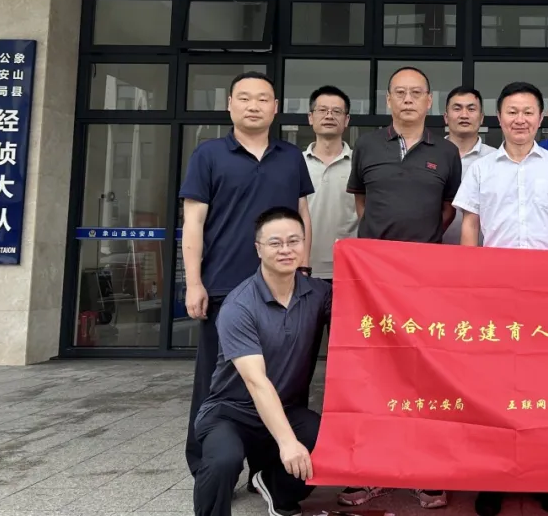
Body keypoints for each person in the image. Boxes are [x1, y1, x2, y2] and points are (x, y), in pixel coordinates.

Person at [453, 81, 548, 516]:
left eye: (529, 112)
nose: (520, 119)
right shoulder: (481, 169)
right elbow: (470, 226)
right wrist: (471, 284)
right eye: (512, 111)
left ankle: (545, 476)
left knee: (546, 389)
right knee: (494, 389)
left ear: (540, 117)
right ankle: (494, 478)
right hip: (495, 295)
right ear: (499, 117)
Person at [180, 71, 314, 478]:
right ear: (230, 105)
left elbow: (302, 215)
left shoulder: (291, 157)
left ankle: (272, 469)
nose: (253, 105)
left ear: (275, 108)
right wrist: (194, 282)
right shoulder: (208, 155)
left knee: (285, 379)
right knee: (216, 380)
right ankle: (208, 465)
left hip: (283, 290)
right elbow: (193, 222)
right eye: (244, 98)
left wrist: (302, 269)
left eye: (262, 99)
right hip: (224, 286)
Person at [343, 65, 462, 510]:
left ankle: (424, 470)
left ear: (430, 101)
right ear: (388, 100)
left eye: (416, 93)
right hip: (371, 283)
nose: (408, 99)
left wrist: (418, 246)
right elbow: (362, 202)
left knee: (421, 377)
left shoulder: (446, 152)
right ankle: (371, 470)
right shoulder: (367, 145)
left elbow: (448, 209)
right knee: (372, 376)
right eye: (400, 92)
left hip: (425, 282)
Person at [192, 206, 330, 516]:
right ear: (258, 249)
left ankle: (278, 491)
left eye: (294, 241)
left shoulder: (319, 294)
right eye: (275, 243)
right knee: (223, 460)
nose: (286, 250)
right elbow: (256, 382)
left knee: (326, 440)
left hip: (287, 408)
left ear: (304, 244)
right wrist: (288, 443)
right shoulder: (239, 305)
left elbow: (363, 309)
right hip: (231, 412)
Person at [303, 85, 359, 279]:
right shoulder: (296, 163)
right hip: (304, 267)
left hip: (350, 268)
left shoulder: (359, 163)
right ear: (311, 117)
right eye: (322, 110)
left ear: (347, 120)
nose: (329, 116)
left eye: (336, 111)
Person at [441, 86, 496, 245]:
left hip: (481, 252)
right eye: (457, 108)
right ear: (446, 117)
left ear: (481, 117)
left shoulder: (496, 159)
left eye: (471, 109)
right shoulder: (429, 155)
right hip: (433, 249)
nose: (464, 115)